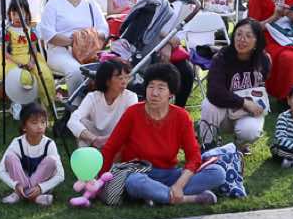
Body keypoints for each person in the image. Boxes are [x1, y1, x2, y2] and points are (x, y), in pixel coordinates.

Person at [94, 63, 232, 203]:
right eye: (151, 87)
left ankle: (156, 195)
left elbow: (194, 157)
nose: (154, 93)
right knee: (134, 182)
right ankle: (187, 198)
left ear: (171, 93)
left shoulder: (181, 116)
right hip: (138, 173)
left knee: (217, 173)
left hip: (169, 174)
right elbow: (110, 148)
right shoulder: (133, 113)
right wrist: (100, 181)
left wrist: (179, 185)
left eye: (161, 88)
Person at [200, 21, 270, 152]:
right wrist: (244, 102)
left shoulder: (263, 60)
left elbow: (263, 88)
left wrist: (252, 104)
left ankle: (240, 144)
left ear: (257, 41)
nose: (242, 39)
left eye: (248, 36)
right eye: (239, 34)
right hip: (224, 109)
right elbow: (214, 92)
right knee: (208, 105)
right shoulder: (222, 57)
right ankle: (207, 144)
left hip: (247, 111)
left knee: (250, 131)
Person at [39, 0, 108, 89]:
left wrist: (86, 39)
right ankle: (77, 101)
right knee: (75, 70)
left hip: (90, 51)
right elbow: (48, 34)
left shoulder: (91, 4)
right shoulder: (53, 4)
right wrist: (75, 41)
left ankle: (97, 100)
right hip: (60, 51)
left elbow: (104, 30)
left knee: (110, 68)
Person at [0, 101, 64, 204]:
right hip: (21, 182)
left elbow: (61, 175)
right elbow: (0, 171)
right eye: (34, 123)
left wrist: (41, 188)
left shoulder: (49, 144)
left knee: (52, 160)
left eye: (43, 122)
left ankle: (20, 195)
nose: (40, 126)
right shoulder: (18, 143)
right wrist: (16, 185)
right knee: (10, 158)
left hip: (40, 185)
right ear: (24, 127)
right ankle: (35, 198)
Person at [69, 53, 138, 146]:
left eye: (127, 78)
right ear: (107, 80)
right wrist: (94, 139)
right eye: (120, 78)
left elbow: (132, 125)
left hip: (118, 141)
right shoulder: (93, 97)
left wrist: (110, 140)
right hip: (94, 139)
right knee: (82, 121)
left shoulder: (130, 97)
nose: (124, 82)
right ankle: (86, 154)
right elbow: (73, 121)